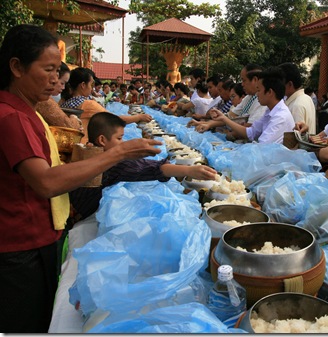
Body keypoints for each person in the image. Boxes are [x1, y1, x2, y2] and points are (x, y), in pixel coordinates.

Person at [0, 24, 162, 333]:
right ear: (16, 67)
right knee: (24, 324)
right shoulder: (11, 117)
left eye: (57, 71)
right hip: (20, 245)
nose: (56, 79)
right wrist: (116, 154)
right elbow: (46, 182)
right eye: (48, 70)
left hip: (38, 235)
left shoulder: (29, 111)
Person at [69, 112, 218, 222]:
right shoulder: (112, 164)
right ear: (102, 140)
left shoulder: (86, 151)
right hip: (81, 214)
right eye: (119, 139)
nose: (123, 143)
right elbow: (154, 168)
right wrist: (189, 170)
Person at [61, 67, 152, 143]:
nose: (92, 88)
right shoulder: (88, 104)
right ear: (83, 85)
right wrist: (139, 117)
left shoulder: (64, 101)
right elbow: (115, 120)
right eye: (91, 84)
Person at [209, 67, 295, 144]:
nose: (257, 94)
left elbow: (261, 148)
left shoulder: (280, 117)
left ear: (269, 92)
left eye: (259, 90)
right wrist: (224, 118)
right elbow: (251, 132)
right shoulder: (270, 111)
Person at [35, 61, 82, 130]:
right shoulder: (43, 100)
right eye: (62, 83)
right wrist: (74, 118)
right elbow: (68, 126)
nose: (54, 80)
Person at [279, 62, 317, 134]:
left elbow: (296, 137)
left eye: (280, 83)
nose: (277, 86)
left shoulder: (296, 105)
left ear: (290, 84)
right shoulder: (307, 98)